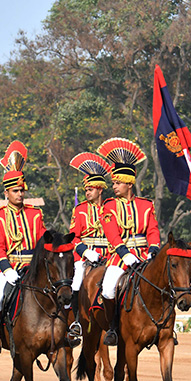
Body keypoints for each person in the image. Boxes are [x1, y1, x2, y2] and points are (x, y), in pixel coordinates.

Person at [93, 138, 160, 347]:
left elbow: (152, 230)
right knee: (109, 288)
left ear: (129, 183)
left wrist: (154, 249)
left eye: (117, 183)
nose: (114, 187)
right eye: (113, 183)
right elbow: (112, 234)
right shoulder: (109, 206)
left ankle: (165, 326)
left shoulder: (146, 205)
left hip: (144, 254)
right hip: (120, 257)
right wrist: (125, 253)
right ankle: (113, 327)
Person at [0, 140, 46, 354]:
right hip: (10, 267)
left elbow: (42, 241)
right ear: (6, 193)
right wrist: (7, 269)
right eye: (15, 191)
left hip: (34, 265)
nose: (20, 194)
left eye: (22, 190)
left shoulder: (35, 213)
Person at [67, 151, 112, 341]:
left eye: (91, 189)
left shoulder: (111, 207)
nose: (87, 193)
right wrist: (86, 252)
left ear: (100, 189)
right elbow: (73, 238)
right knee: (76, 282)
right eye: (86, 190)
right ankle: (76, 321)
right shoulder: (80, 210)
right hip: (86, 258)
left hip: (109, 256)